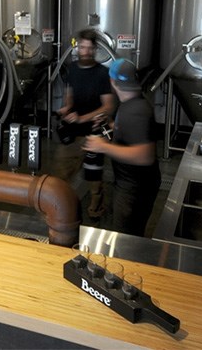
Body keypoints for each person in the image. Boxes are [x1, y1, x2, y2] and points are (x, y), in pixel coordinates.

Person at [83, 58, 161, 236]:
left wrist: (104, 147)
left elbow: (145, 155)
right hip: (128, 184)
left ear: (112, 82)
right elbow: (128, 133)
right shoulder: (131, 102)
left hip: (134, 190)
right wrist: (108, 125)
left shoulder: (137, 110)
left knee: (126, 237)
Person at [57, 29, 115, 217]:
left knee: (93, 175)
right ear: (77, 47)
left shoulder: (102, 73)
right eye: (82, 47)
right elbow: (70, 96)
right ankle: (61, 207)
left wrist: (82, 118)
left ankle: (96, 206)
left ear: (95, 49)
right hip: (74, 130)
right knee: (64, 171)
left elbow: (107, 106)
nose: (85, 52)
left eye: (89, 48)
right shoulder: (73, 68)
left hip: (94, 133)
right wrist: (67, 108)